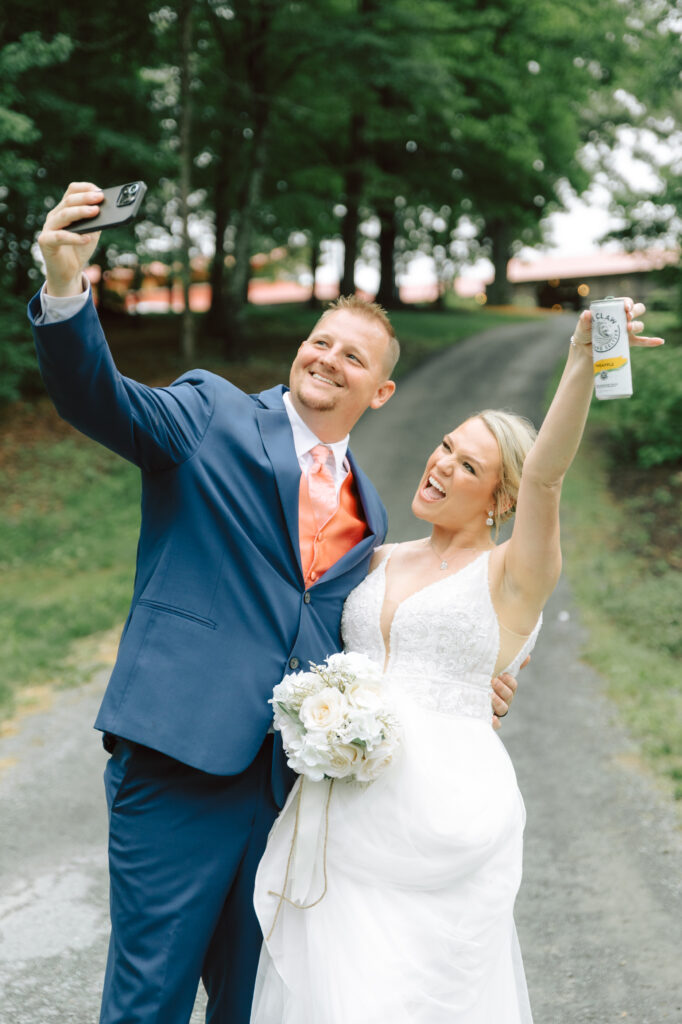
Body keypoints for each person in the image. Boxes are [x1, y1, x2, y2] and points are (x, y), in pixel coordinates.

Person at [28, 182, 518, 1024]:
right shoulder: (208, 414)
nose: (327, 359)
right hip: (179, 759)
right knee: (149, 998)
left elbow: (368, 638)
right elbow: (99, 399)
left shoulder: (374, 512)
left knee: (259, 1004)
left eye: (352, 357)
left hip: (293, 794)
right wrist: (68, 284)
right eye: (320, 341)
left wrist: (474, 679)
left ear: (382, 394)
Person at [251, 300, 664, 1023]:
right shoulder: (374, 553)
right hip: (345, 816)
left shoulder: (513, 576)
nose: (439, 463)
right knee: (334, 994)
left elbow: (546, 478)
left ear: (500, 497)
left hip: (442, 817)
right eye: (445, 445)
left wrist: (579, 363)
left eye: (466, 464)